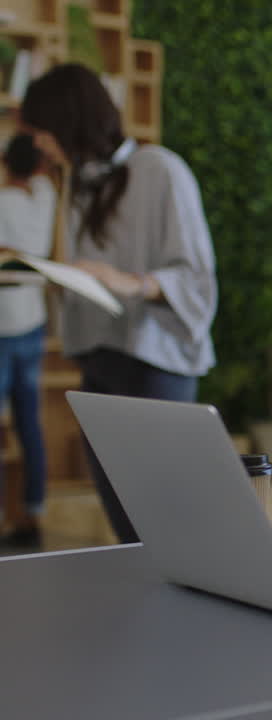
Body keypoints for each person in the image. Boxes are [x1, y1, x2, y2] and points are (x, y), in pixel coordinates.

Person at [20, 63, 218, 544]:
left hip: (154, 365)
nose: (39, 145)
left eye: (43, 133)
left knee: (168, 528)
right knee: (128, 531)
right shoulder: (80, 184)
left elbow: (197, 279)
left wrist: (131, 282)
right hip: (99, 362)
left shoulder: (161, 170)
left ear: (70, 123)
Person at [0, 134, 56, 545]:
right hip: (34, 318)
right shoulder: (45, 198)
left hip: (2, 323)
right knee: (29, 424)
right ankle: (33, 513)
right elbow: (46, 175)